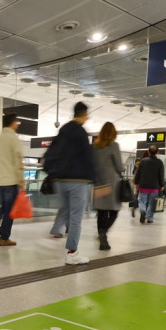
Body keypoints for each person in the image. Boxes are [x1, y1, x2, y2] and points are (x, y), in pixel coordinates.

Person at [52, 102, 96, 264]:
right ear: (84, 115)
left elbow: (54, 151)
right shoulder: (81, 132)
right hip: (77, 180)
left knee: (66, 210)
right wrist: (95, 180)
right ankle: (72, 253)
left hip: (61, 180)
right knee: (76, 217)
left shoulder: (63, 130)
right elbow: (87, 158)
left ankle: (57, 230)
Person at [0, 112, 25, 246]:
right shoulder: (14, 140)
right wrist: (21, 181)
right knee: (9, 211)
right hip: (10, 181)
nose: (17, 125)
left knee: (3, 207)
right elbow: (18, 161)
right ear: (13, 123)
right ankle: (4, 237)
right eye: (17, 122)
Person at [92, 122, 124, 250]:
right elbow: (120, 167)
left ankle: (102, 235)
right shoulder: (114, 145)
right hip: (112, 183)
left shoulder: (94, 146)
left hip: (98, 182)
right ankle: (103, 233)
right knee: (114, 211)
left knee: (101, 212)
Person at [133, 144, 164, 225]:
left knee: (142, 201)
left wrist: (136, 183)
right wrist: (162, 185)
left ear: (148, 152)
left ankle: (143, 211)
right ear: (157, 152)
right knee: (152, 203)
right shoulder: (159, 162)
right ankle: (149, 218)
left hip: (143, 185)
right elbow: (161, 175)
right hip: (154, 187)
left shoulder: (143, 161)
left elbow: (138, 173)